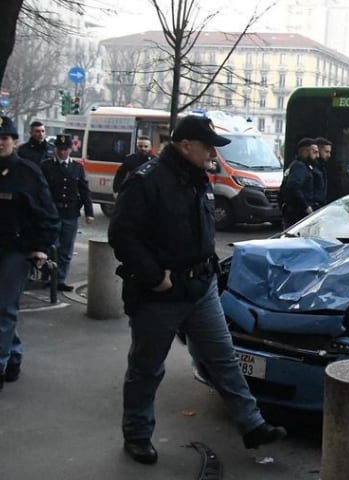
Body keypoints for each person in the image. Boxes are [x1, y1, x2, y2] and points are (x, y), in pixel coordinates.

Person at [108, 115, 285, 465]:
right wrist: (155, 276)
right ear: (185, 145)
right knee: (147, 369)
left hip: (200, 288)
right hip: (161, 292)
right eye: (208, 147)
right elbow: (122, 236)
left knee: (223, 360)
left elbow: (202, 235)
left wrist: (213, 272)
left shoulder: (198, 179)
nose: (213, 155)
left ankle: (253, 426)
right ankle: (138, 435)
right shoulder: (147, 181)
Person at [0, 116, 59, 392]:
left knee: (4, 308)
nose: (0, 143)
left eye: (4, 138)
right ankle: (12, 357)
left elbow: (47, 214)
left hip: (16, 250)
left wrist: (42, 248)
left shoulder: (27, 172)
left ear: (14, 141)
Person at [41, 134, 95, 292]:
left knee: (66, 249)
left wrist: (89, 212)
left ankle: (60, 279)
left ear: (71, 149)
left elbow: (84, 191)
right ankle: (49, 276)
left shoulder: (77, 168)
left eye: (66, 149)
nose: (63, 152)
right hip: (52, 212)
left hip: (70, 212)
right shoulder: (46, 166)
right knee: (52, 247)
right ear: (55, 149)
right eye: (60, 149)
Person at [279, 137, 318, 226]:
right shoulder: (300, 167)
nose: (317, 156)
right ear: (305, 151)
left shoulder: (295, 165)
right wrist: (306, 207)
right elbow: (293, 187)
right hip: (298, 214)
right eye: (314, 152)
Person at [311, 137, 332, 209]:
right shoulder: (310, 168)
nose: (329, 155)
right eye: (326, 152)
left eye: (329, 152)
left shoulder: (321, 168)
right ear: (318, 150)